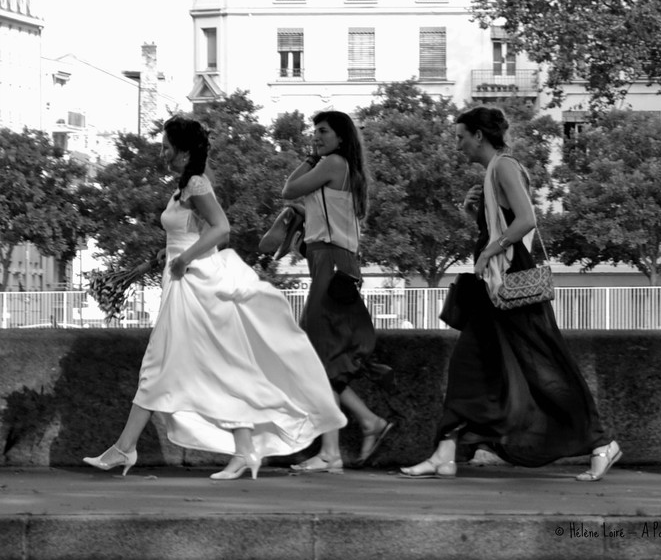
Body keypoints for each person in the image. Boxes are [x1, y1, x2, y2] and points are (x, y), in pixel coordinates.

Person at [84, 116, 346, 480]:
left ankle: (127, 449)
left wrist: (184, 258)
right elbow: (204, 233)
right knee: (204, 367)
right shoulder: (185, 186)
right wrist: (171, 255)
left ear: (184, 150)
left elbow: (223, 228)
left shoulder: (195, 182)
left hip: (194, 282)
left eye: (166, 147)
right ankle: (235, 452)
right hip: (183, 279)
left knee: (166, 364)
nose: (162, 153)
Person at [400, 106, 621, 481]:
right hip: (497, 284)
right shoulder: (494, 172)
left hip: (509, 281)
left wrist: (489, 248)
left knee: (544, 368)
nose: (458, 145)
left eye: (461, 137)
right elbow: (503, 222)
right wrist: (476, 215)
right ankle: (445, 450)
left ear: (479, 136)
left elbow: (527, 220)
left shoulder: (503, 167)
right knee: (471, 365)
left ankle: (601, 443)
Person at [282, 110, 394, 472]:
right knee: (323, 355)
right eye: (314, 131)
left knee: (317, 354)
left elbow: (288, 189)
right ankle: (363, 425)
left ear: (340, 137)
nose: (316, 135)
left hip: (329, 262)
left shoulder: (332, 163)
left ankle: (337, 447)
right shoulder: (343, 168)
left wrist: (309, 157)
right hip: (334, 262)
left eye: (323, 131)